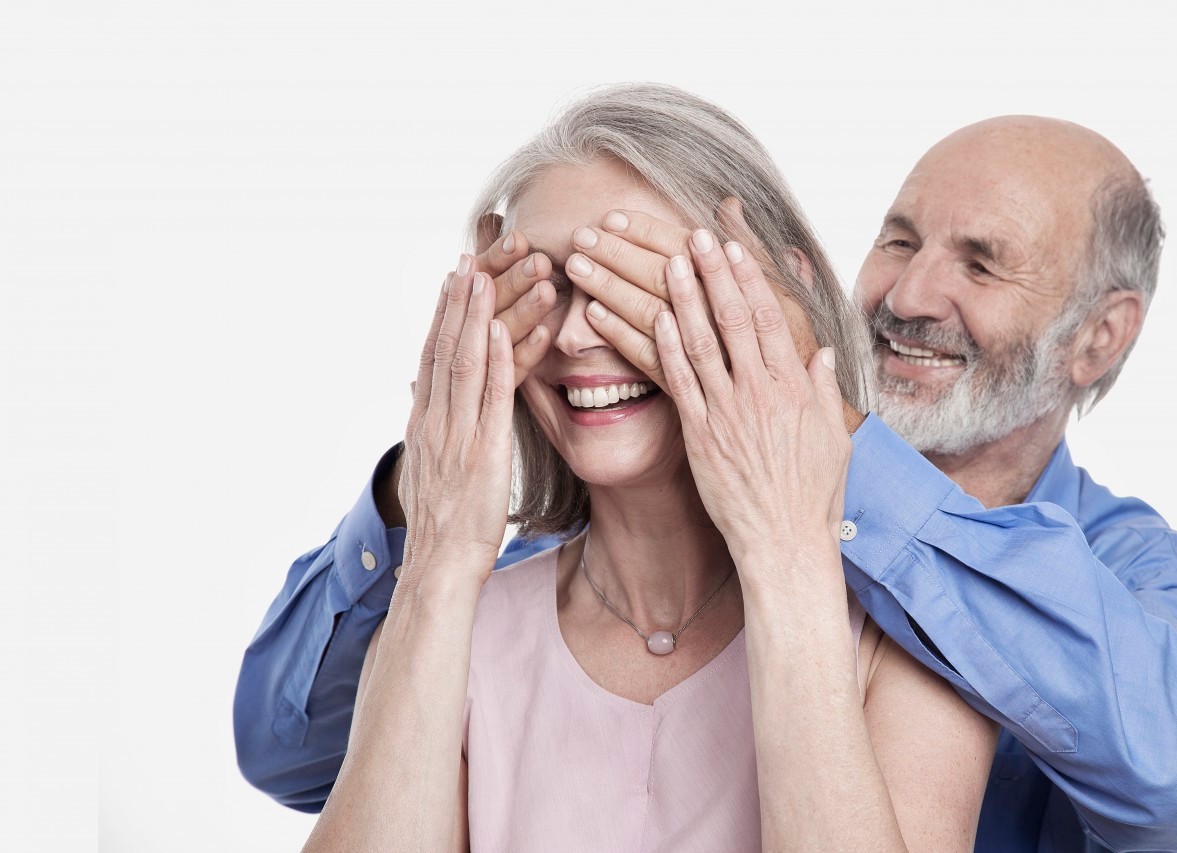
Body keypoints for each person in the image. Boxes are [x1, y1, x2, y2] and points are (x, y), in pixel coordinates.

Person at [235, 94, 1177, 850]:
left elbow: (1175, 781)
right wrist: (432, 523)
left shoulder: (967, 619)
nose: (907, 291)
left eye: (980, 263)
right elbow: (283, 752)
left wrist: (807, 464)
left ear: (1099, 341)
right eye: (895, 239)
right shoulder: (496, 601)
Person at [299, 85, 998, 851]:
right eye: (548, 289)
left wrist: (784, 550)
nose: (572, 334)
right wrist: (438, 557)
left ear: (774, 298)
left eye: (632, 288)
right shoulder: (454, 631)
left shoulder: (909, 637)